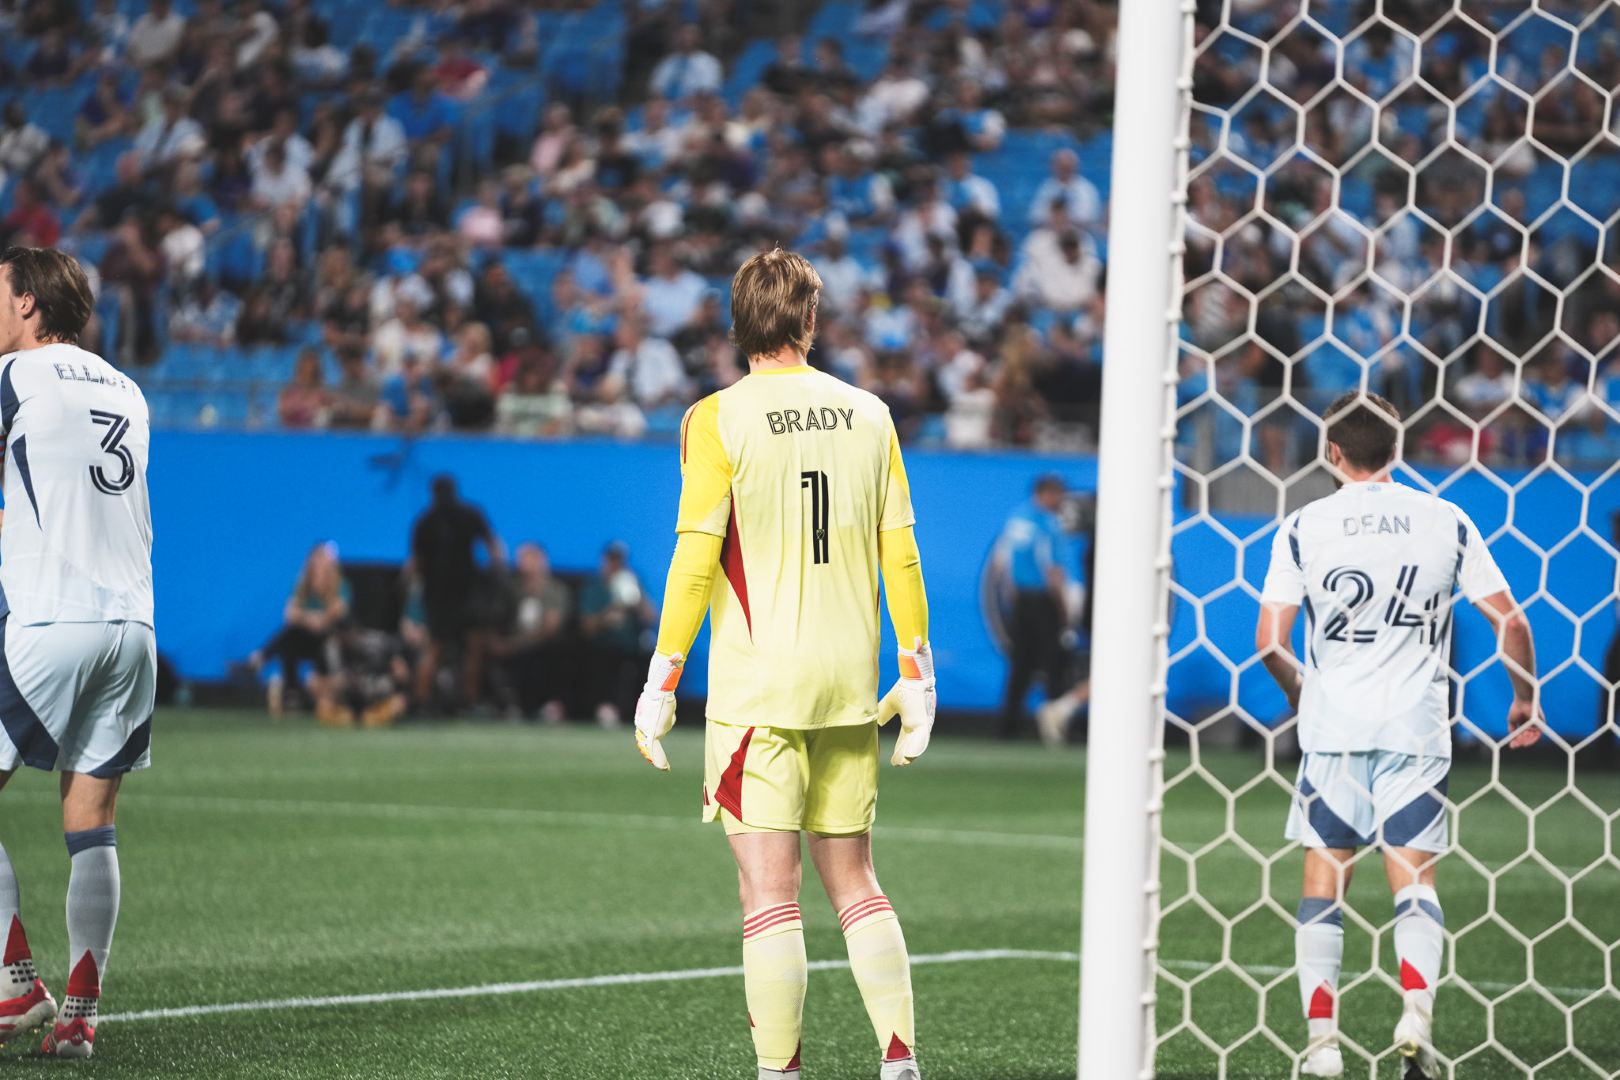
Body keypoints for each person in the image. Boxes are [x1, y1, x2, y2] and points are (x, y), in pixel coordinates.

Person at [631, 249, 933, 1080]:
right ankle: (900, 1061)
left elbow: (696, 558)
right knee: (857, 882)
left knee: (770, 895)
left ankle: (780, 1072)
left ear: (738, 324)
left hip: (759, 691)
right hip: (849, 688)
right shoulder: (870, 412)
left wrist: (662, 679)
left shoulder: (714, 418)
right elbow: (898, 556)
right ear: (809, 321)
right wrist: (918, 676)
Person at [1256, 393, 1543, 1079]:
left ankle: (1323, 1047)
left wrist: (1305, 697)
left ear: (1332, 454)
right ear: (1399, 450)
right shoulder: (1444, 519)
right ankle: (1415, 1019)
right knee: (1413, 880)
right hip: (1416, 725)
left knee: (1324, 880)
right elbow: (1513, 623)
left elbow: (1270, 642)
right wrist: (1524, 701)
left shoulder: (1304, 525)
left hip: (1335, 729)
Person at [0, 246, 157, 1059]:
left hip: (53, 620)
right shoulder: (126, 389)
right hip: (133, 629)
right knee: (90, 823)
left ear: (27, 302)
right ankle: (80, 1015)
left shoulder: (13, 377)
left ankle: (15, 984)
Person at [410, 475, 504, 713]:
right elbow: (494, 546)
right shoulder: (469, 514)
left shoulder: (425, 521)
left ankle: (421, 701)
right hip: (467, 591)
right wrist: (496, 575)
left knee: (434, 647)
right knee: (474, 646)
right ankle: (469, 700)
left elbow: (417, 563)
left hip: (438, 594)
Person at [996, 474, 1077, 739]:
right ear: (1045, 494)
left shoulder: (1016, 519)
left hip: (1021, 600)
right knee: (1054, 662)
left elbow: (1003, 562)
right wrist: (1063, 605)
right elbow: (1052, 568)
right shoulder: (1048, 524)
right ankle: (1056, 724)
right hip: (1043, 601)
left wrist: (1012, 593)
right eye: (1056, 495)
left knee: (1020, 662)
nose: (1059, 501)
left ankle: (1008, 727)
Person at [250, 542, 350, 720]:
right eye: (318, 558)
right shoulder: (302, 584)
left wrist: (310, 618)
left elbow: (337, 612)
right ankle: (292, 693)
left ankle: (261, 658)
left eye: (325, 559)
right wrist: (311, 619)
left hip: (328, 639)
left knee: (300, 634)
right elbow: (289, 614)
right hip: (305, 638)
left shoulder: (341, 586)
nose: (322, 563)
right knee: (290, 638)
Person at [492, 542, 571, 722]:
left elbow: (551, 627)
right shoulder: (512, 589)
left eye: (528, 558)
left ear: (541, 561)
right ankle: (504, 705)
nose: (523, 563)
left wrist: (515, 645)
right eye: (521, 558)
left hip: (540, 646)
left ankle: (546, 705)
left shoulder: (555, 590)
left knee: (548, 652)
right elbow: (498, 618)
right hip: (512, 642)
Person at [579, 542, 654, 728]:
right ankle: (603, 708)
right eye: (611, 560)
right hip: (601, 646)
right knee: (603, 663)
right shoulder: (595, 586)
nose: (615, 565)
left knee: (635, 666)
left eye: (619, 561)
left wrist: (637, 596)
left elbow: (651, 617)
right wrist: (608, 613)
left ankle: (631, 712)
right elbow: (586, 626)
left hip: (629, 648)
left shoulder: (632, 583)